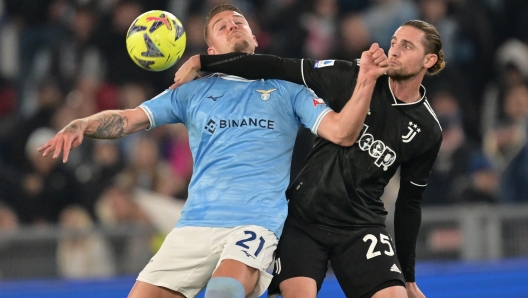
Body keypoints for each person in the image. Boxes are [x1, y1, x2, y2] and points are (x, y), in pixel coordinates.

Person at [38, 4, 389, 298]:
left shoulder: (289, 89)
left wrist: (366, 81)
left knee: (224, 290)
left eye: (240, 23)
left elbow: (343, 133)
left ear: (254, 38)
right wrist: (83, 123)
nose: (233, 26)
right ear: (211, 52)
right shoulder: (191, 91)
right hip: (194, 224)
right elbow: (128, 119)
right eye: (222, 26)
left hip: (255, 222)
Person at [172, 19, 445, 298]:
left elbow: (410, 204)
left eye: (407, 46)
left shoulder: (428, 130)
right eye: (394, 42)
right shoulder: (352, 75)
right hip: (304, 218)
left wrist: (409, 278)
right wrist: (203, 62)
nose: (394, 51)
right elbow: (279, 66)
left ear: (429, 60)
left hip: (360, 224)